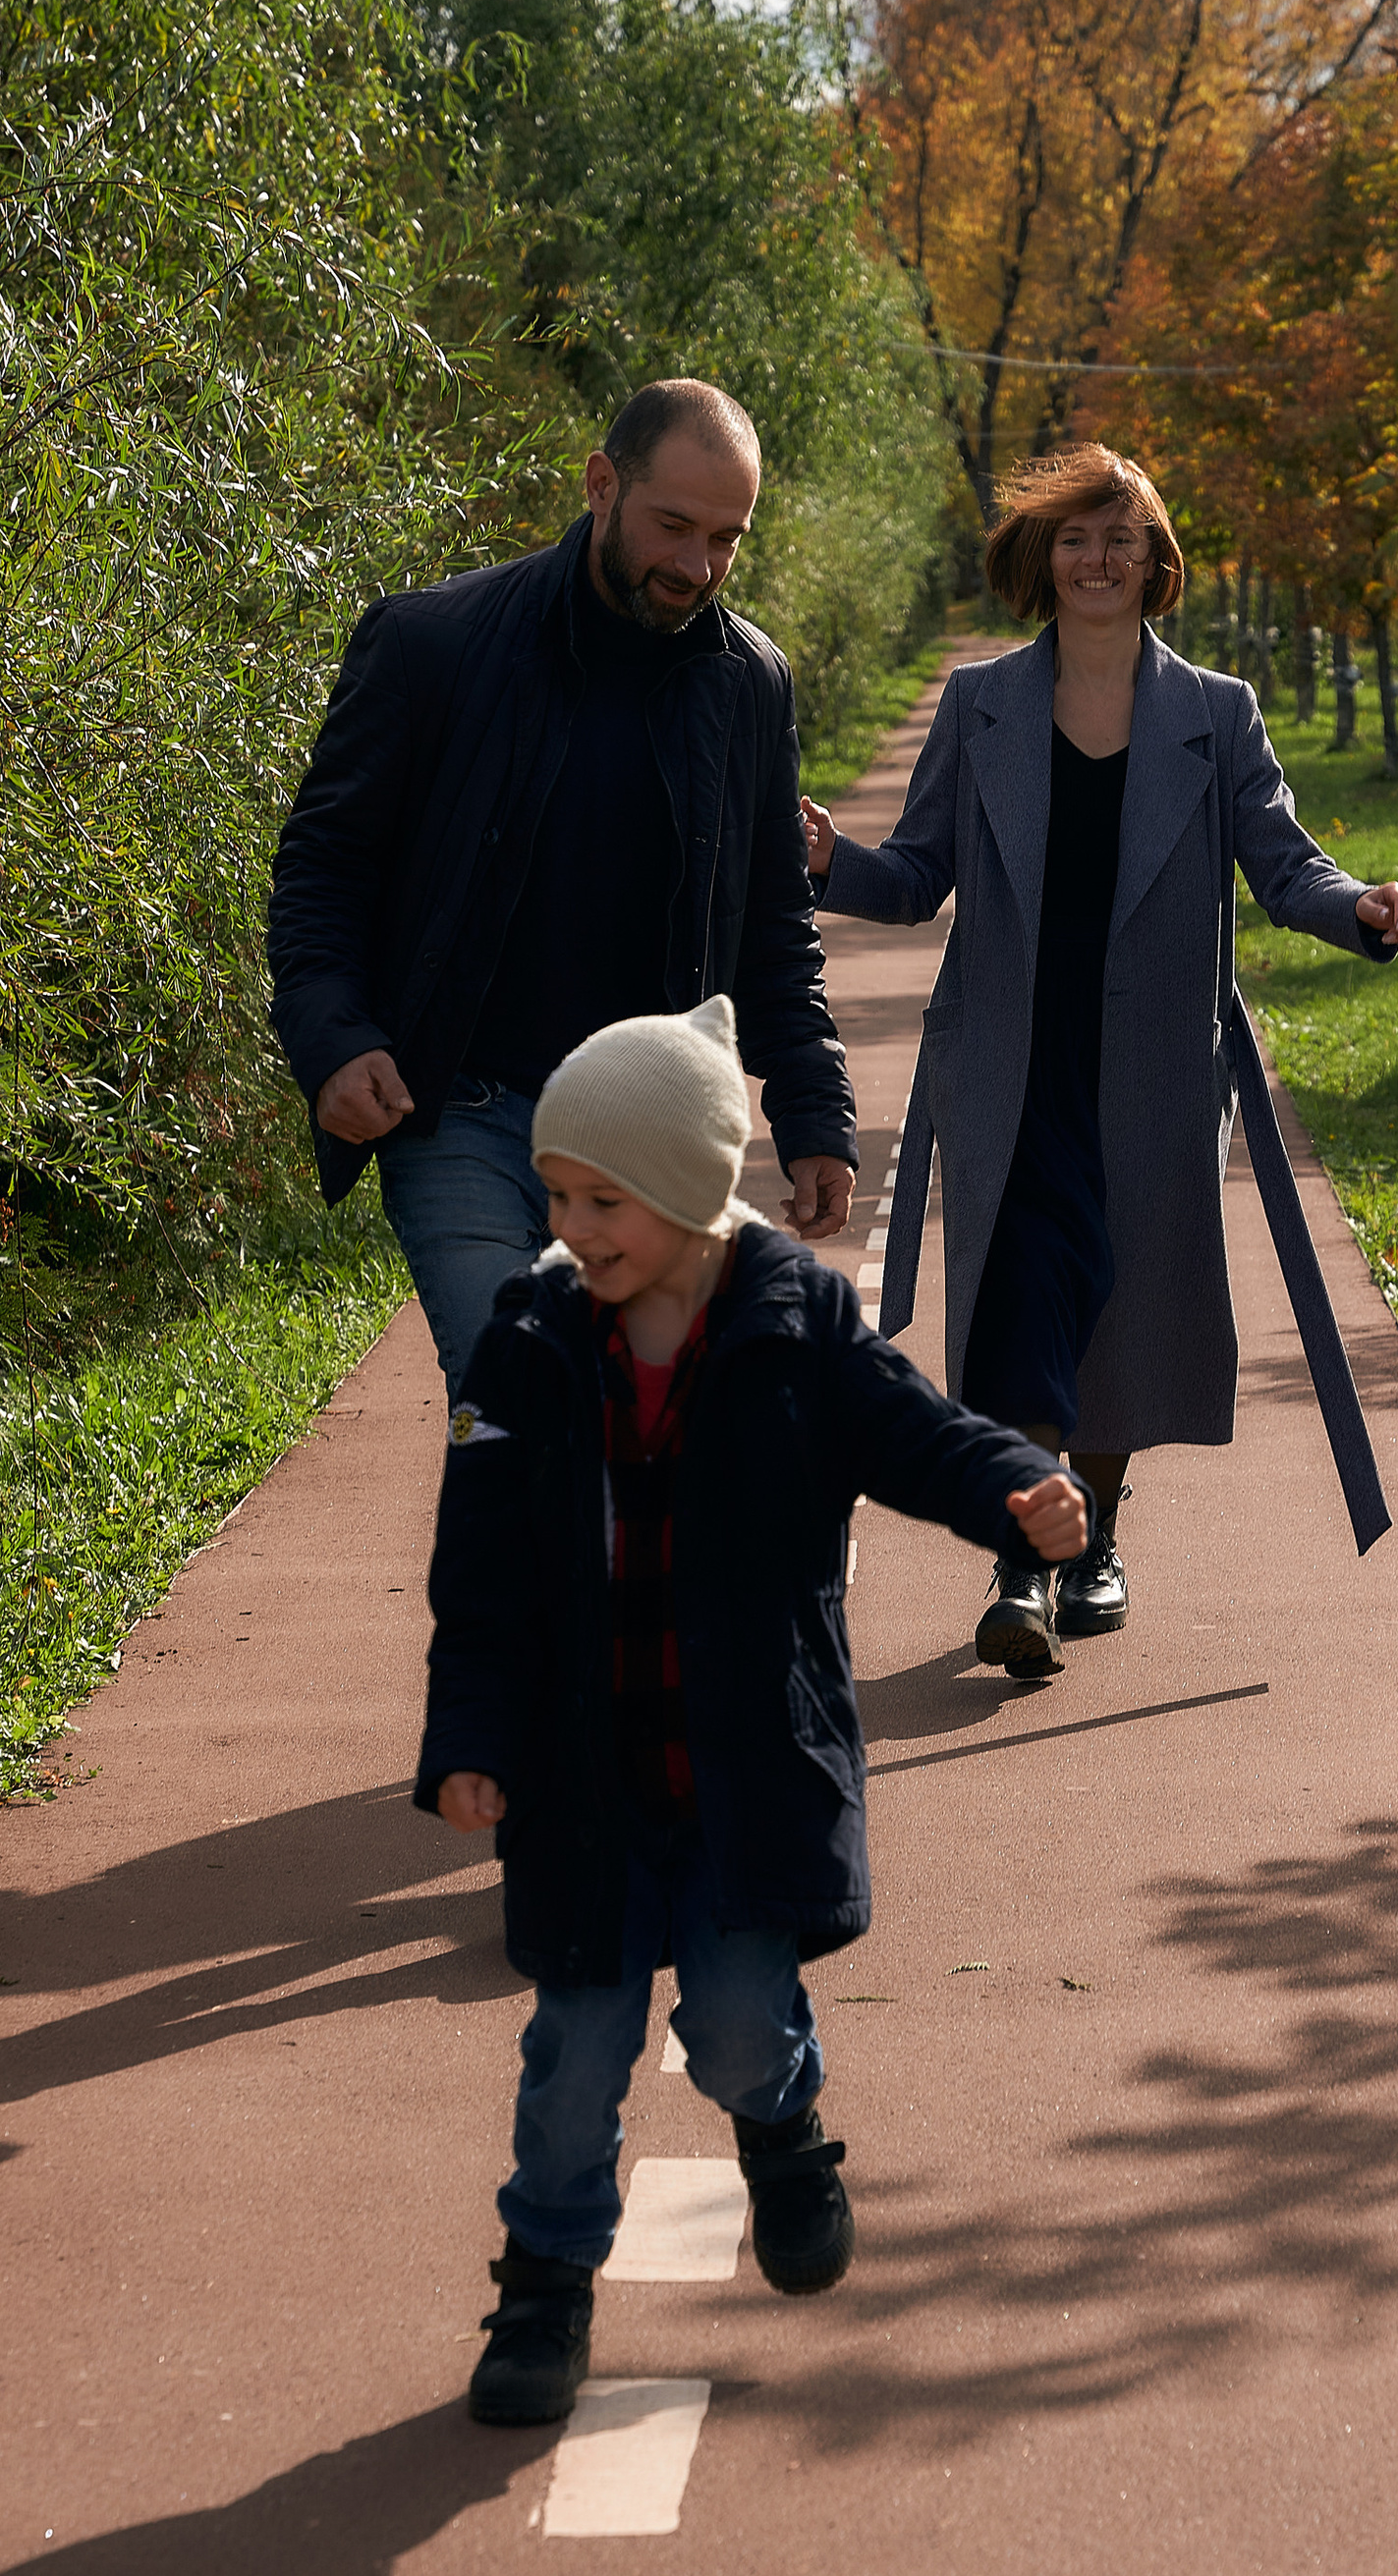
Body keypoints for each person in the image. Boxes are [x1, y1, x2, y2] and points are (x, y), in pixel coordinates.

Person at [418, 994, 1087, 2427]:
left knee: (731, 2026)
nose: (572, 1225)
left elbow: (914, 1433)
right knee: (575, 2054)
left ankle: (781, 2133)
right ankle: (542, 2291)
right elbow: (476, 1580)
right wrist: (470, 1744)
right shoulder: (526, 1348)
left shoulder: (795, 1321)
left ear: (685, 1190)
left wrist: (1010, 1492)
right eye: (556, 1194)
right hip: (585, 1784)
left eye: (603, 1197)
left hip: (741, 1773)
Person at [801, 443, 1398, 1675]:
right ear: (1043, 558)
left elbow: (1284, 863)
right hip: (1008, 1066)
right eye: (1075, 538)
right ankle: (1023, 1561)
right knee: (1024, 1289)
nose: (1096, 558)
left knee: (1122, 1304)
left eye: (1119, 539)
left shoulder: (1215, 712)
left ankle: (1094, 1536)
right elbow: (919, 876)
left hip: (1150, 1072)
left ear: (1155, 563)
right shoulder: (979, 704)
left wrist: (1356, 908)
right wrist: (828, 861)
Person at [268, 377, 858, 1402]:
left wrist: (813, 1111)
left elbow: (772, 921)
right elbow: (325, 866)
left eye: (726, 540)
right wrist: (334, 1038)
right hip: (466, 1116)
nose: (697, 566)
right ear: (600, 485)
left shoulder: (748, 682)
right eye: (673, 526)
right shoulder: (430, 647)